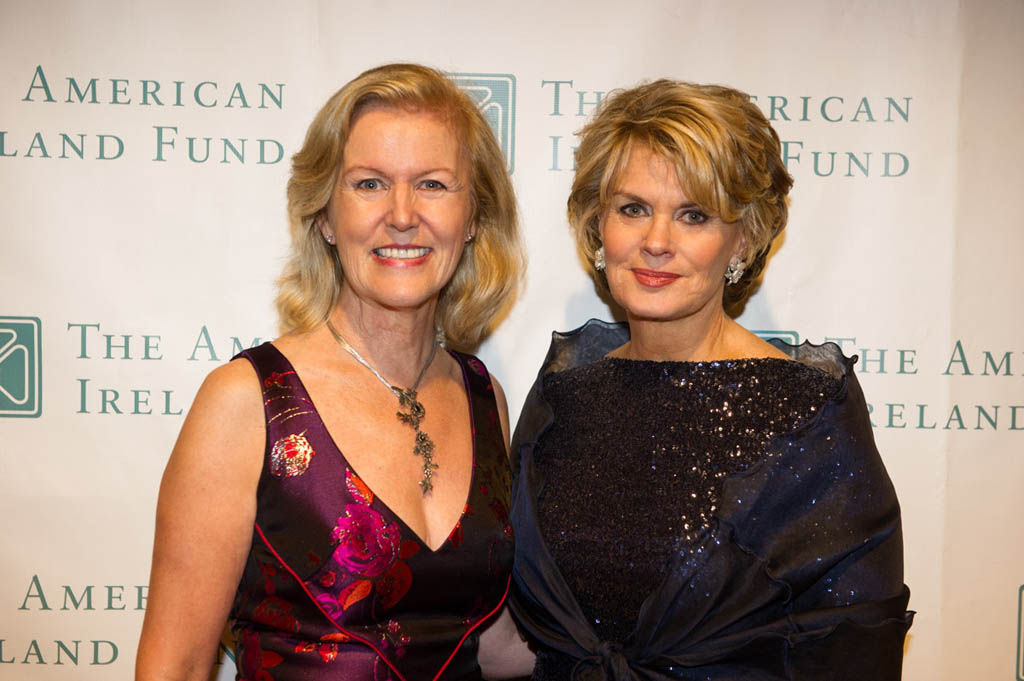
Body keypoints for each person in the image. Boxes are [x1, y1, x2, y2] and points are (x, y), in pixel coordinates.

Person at [505, 80, 913, 680]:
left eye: (693, 215)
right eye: (633, 209)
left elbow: (852, 650)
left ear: (743, 239)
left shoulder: (805, 410)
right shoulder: (563, 395)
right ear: (598, 226)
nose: (656, 242)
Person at [136, 63, 524, 681]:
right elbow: (175, 666)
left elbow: (486, 641)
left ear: (474, 216)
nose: (402, 215)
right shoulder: (249, 401)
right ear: (324, 217)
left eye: (433, 184)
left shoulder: (483, 397)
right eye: (370, 184)